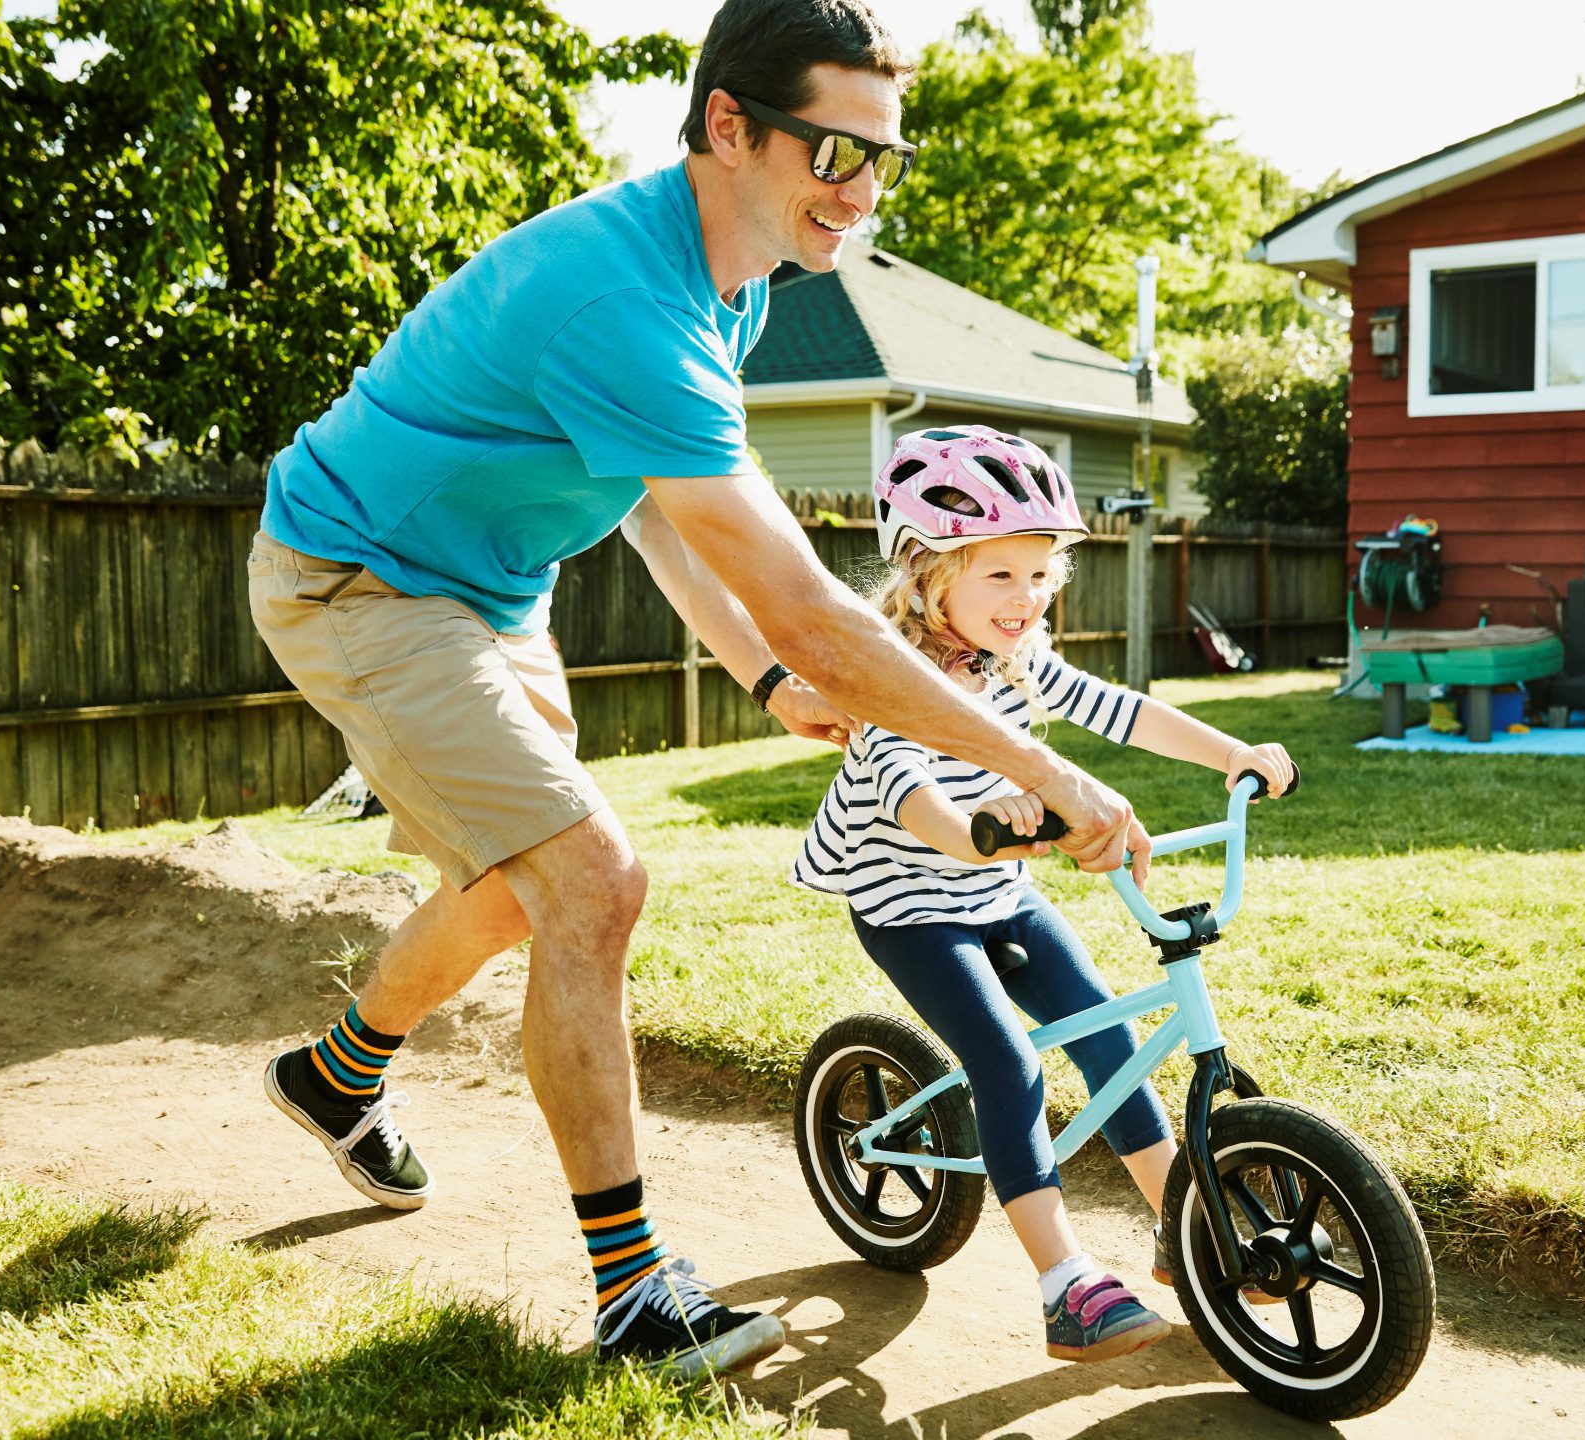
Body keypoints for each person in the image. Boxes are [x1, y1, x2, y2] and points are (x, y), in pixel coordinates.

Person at [245, 0, 1151, 1380]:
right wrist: (1044, 768)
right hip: (358, 579)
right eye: (831, 155)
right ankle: (630, 1294)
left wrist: (764, 675)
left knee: (511, 889)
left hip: (485, 588)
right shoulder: (627, 296)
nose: (858, 193)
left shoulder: (731, 278)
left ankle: (337, 1069)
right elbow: (813, 601)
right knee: (594, 884)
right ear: (730, 124)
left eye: (881, 161)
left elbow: (661, 508)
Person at [792, 426, 1296, 1363]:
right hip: (911, 909)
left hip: (1003, 898)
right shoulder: (888, 686)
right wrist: (984, 829)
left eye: (1038, 574)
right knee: (1010, 1063)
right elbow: (916, 802)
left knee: (1110, 1037)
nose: (1026, 599)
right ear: (927, 573)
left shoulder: (1017, 660)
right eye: (999, 577)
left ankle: (1183, 1230)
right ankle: (1065, 1285)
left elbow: (1120, 708)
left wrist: (1231, 753)